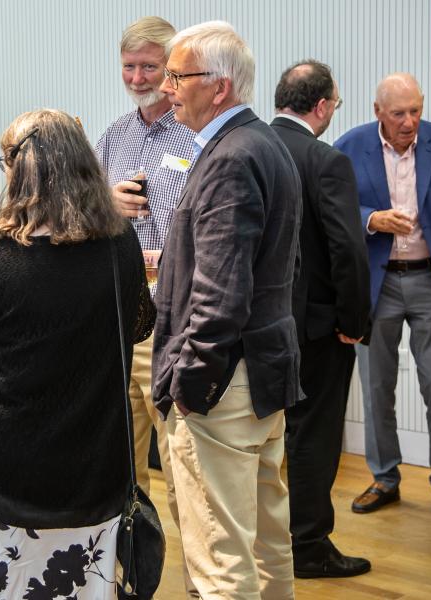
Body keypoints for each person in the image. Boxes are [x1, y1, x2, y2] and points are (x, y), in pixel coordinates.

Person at [0, 108, 156, 599]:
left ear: (18, 171)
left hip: (6, 473)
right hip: (94, 468)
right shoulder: (120, 245)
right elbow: (143, 324)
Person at [152, 21, 302, 599]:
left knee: (221, 558)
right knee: (265, 542)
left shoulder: (230, 158)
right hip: (259, 374)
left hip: (224, 384)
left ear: (218, 88)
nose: (167, 88)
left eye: (176, 76)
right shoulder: (259, 143)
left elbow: (220, 294)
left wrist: (190, 383)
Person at [334, 73, 431, 523]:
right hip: (377, 283)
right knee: (377, 387)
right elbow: (334, 210)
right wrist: (371, 219)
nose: (410, 121)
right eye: (399, 113)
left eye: (415, 110)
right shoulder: (350, 144)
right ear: (378, 112)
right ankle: (384, 478)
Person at [93, 16, 198, 597]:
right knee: (122, 466)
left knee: (184, 466)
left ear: (174, 69)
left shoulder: (198, 136)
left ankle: (199, 581)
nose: (137, 77)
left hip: (176, 321)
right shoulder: (112, 136)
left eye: (149, 67)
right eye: (130, 67)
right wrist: (106, 204)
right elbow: (85, 221)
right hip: (119, 317)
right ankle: (130, 576)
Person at [271, 60, 372, 579]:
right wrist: (354, 321)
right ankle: (308, 546)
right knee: (313, 436)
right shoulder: (324, 159)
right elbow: (347, 250)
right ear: (323, 105)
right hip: (316, 328)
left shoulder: (251, 149)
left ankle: (267, 542)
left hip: (259, 325)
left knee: (268, 437)